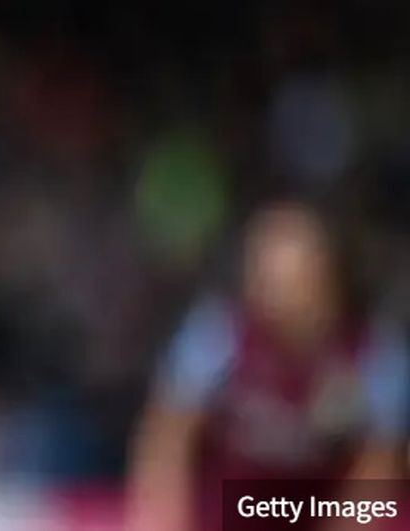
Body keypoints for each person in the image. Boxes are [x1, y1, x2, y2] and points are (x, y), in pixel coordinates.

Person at [125, 198, 409, 531]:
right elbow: (166, 443)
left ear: (328, 273)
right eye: (261, 270)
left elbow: (377, 474)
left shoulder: (376, 356)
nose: (272, 288)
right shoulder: (216, 335)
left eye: (289, 275)